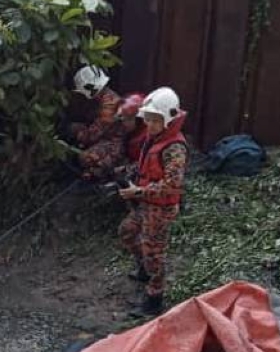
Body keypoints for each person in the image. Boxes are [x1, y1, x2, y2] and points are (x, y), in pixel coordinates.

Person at [118, 87, 189, 317]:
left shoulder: (175, 147)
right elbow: (146, 168)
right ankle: (144, 270)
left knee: (154, 252)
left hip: (161, 207)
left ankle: (154, 298)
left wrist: (138, 191)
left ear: (167, 119)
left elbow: (172, 185)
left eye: (154, 121)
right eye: (147, 120)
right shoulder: (154, 138)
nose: (148, 125)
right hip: (145, 202)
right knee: (127, 231)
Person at [68, 66, 123, 182]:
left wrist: (78, 134)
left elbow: (93, 135)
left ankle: (103, 172)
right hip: (104, 138)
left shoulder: (109, 105)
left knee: (85, 157)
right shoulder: (104, 98)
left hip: (113, 143)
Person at [117, 93, 148, 168]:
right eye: (122, 118)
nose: (123, 122)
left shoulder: (147, 137)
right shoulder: (128, 133)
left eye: (127, 119)